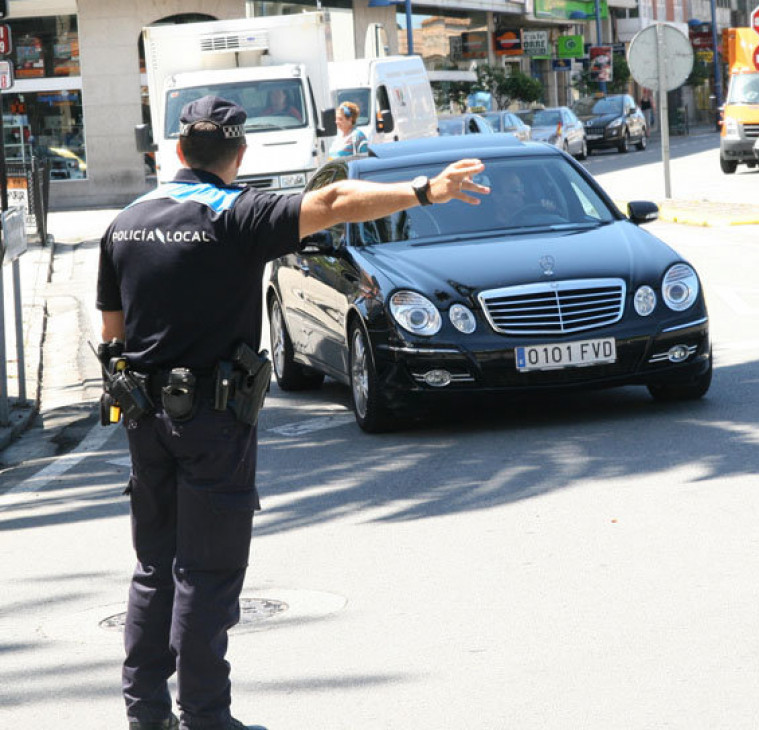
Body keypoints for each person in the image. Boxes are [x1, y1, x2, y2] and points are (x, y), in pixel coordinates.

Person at [96, 95, 488, 730]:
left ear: (177, 151)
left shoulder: (126, 223)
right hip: (214, 423)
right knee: (207, 572)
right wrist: (425, 189)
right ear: (239, 152)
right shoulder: (238, 214)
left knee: (152, 568)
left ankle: (145, 715)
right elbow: (332, 202)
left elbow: (112, 333)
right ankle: (205, 718)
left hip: (144, 421)